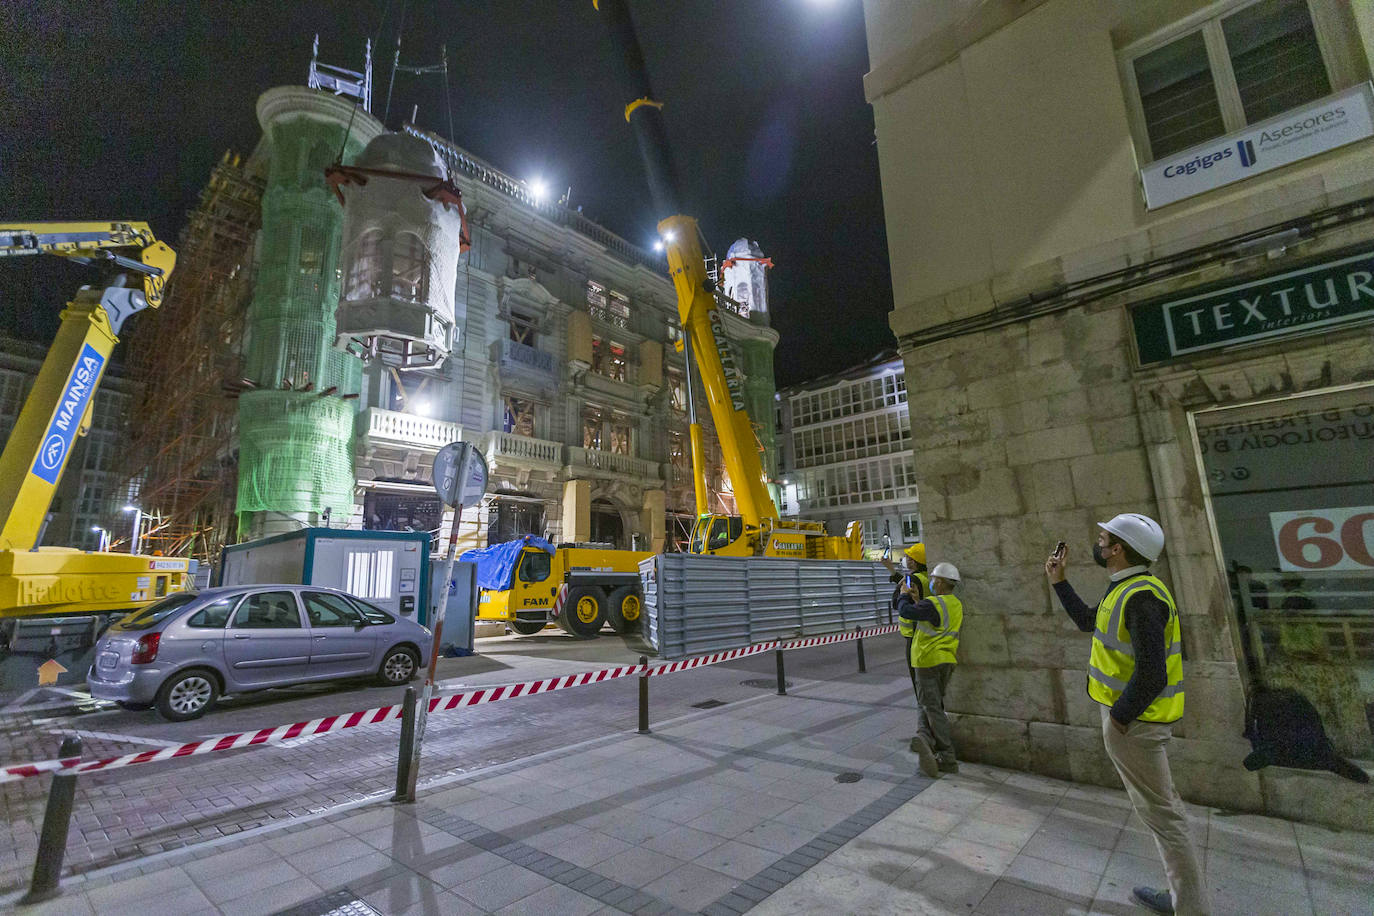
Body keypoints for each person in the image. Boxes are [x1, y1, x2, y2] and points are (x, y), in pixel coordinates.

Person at [1045, 514, 1209, 916]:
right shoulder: (1127, 588)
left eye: (1103, 539)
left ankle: (1190, 908)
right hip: (1134, 722)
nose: (1098, 543)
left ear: (1117, 549)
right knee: (1162, 812)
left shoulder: (1141, 598)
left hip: (1135, 725)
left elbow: (1153, 672)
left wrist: (1119, 719)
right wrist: (1059, 582)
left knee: (1165, 818)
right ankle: (1182, 898)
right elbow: (1089, 621)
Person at [896, 562, 961, 778]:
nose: (932, 582)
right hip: (946, 661)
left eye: (934, 579)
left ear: (940, 582)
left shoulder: (933, 603)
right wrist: (917, 600)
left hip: (927, 661)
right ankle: (924, 739)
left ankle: (947, 756)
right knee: (927, 704)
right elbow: (933, 618)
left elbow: (904, 611)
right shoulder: (954, 604)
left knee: (931, 707)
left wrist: (904, 594)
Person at [882, 543, 928, 694]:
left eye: (908, 557)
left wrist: (900, 592)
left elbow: (898, 601)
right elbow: (907, 583)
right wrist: (892, 570)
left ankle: (925, 715)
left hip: (914, 635)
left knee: (919, 684)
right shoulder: (926, 577)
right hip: (927, 631)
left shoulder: (912, 579)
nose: (905, 559)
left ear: (913, 562)